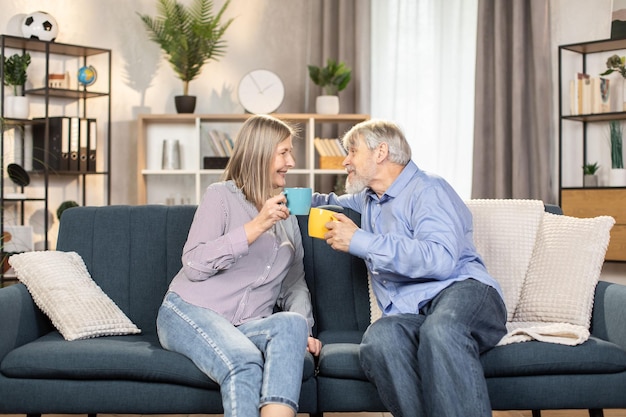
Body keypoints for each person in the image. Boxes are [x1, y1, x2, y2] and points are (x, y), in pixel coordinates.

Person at [311, 119, 507, 417]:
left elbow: (440, 259)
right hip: (414, 314)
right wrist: (269, 194)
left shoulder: (429, 189)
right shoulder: (369, 200)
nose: (345, 160)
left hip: (462, 293)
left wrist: (361, 241)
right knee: (379, 339)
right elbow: (326, 201)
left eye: (352, 151)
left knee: (441, 330)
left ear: (381, 152)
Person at [157, 114, 322, 417]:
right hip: (191, 310)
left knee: (294, 324)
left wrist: (305, 331)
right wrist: (256, 226)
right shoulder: (221, 196)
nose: (292, 161)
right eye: (284, 152)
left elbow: (294, 282)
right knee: (244, 359)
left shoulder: (288, 218)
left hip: (246, 324)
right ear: (260, 154)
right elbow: (194, 263)